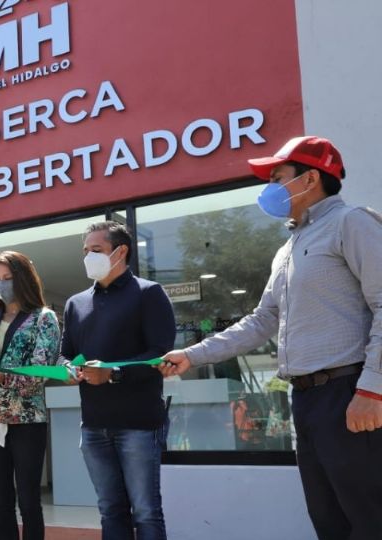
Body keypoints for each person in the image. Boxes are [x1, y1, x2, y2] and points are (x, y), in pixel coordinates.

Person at [159, 136, 382, 540]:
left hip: (348, 393)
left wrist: (372, 388)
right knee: (328, 519)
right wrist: (193, 354)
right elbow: (262, 320)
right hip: (306, 400)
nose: (270, 188)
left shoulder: (351, 223)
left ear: (310, 178)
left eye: (278, 177)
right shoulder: (288, 248)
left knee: (369, 518)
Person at [58, 222, 175, 540]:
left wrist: (114, 373)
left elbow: (161, 354)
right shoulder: (75, 304)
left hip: (139, 424)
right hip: (93, 425)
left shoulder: (149, 293)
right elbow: (64, 354)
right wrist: (68, 370)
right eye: (85, 251)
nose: (87, 257)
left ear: (121, 251)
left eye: (95, 250)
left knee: (147, 512)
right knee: (110, 510)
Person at [0, 252, 60, 540]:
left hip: (26, 418)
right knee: (0, 500)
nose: (2, 284)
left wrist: (5, 378)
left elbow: (43, 370)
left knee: (28, 499)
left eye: (8, 278)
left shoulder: (45, 318)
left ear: (24, 279)